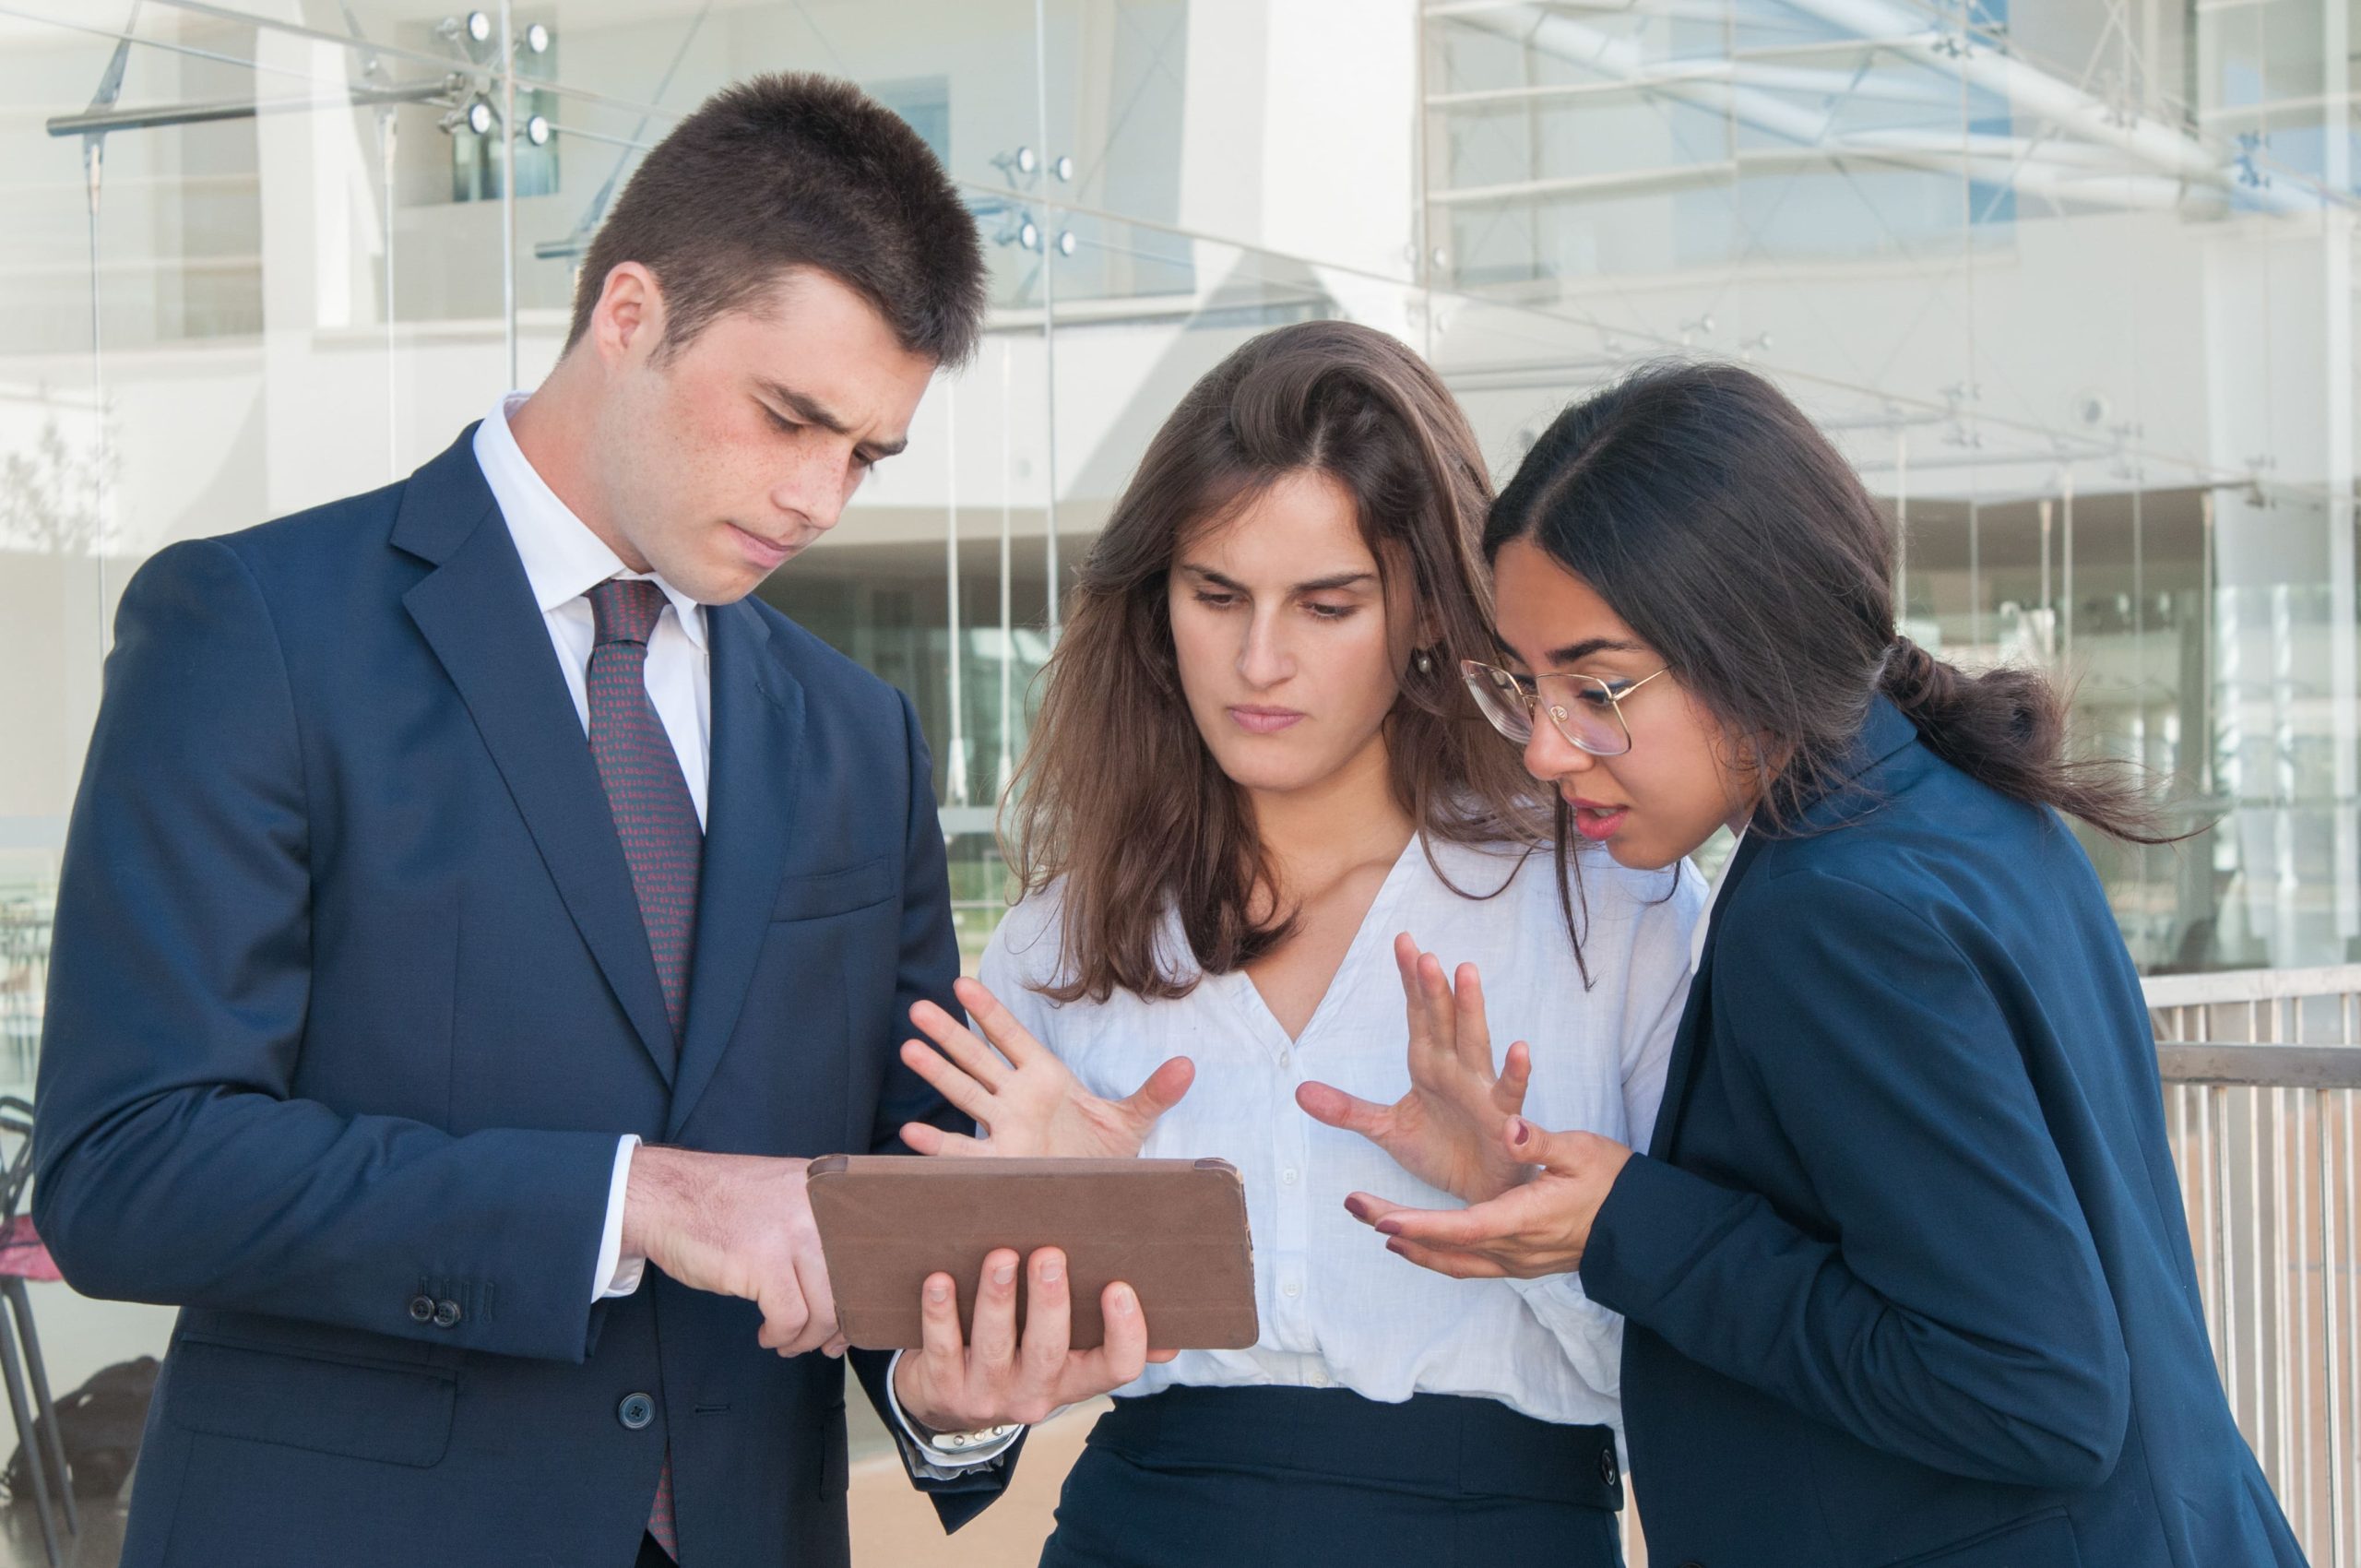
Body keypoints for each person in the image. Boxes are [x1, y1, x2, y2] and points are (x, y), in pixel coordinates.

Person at [31, 73, 1152, 1568]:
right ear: (628, 314)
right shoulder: (255, 629)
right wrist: (635, 1201)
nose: (819, 495)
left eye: (867, 455)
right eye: (788, 417)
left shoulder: (852, 730)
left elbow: (871, 1192)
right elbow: (130, 1168)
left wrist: (958, 1390)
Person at [1356, 360, 2310, 1568]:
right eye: (1525, 684)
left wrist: (1631, 1229)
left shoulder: (1831, 910)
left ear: (1746, 636)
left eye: (1597, 687)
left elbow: (2033, 1393)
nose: (1547, 748)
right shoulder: (1947, 800)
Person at [895, 320, 1703, 1567]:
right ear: (1158, 608)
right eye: (1216, 596)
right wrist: (957, 1390)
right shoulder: (1069, 933)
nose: (1259, 662)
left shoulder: (1609, 904)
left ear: (1430, 611)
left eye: (1327, 605)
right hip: (1139, 1529)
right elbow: (957, 1406)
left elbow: (1692, 1369)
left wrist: (1523, 1213)